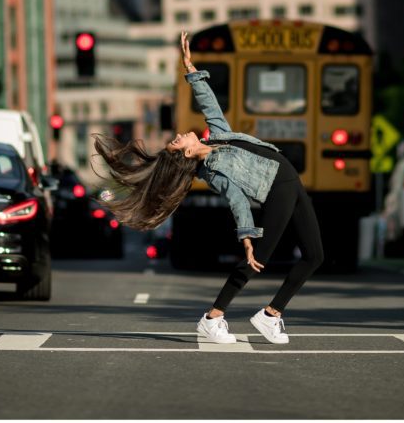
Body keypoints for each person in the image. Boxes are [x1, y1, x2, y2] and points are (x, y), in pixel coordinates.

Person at [93, 32, 324, 345]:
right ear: (187, 153)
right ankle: (213, 317)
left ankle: (271, 315)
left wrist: (190, 69)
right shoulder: (213, 170)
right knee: (257, 259)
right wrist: (246, 234)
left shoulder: (217, 137)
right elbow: (237, 199)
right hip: (277, 189)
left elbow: (210, 104)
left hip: (289, 181)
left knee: (314, 255)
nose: (179, 135)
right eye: (178, 141)